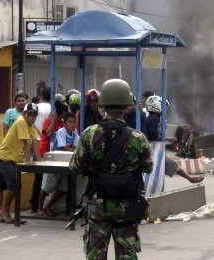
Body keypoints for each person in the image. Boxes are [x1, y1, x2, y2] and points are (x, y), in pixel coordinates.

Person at [70, 79, 153, 259]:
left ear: (103, 105)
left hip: (99, 203)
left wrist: (95, 167)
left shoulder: (90, 133)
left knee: (96, 254)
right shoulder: (138, 137)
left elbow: (75, 166)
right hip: (127, 205)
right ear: (127, 105)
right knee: (127, 255)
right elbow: (148, 166)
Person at [0, 103, 42, 223]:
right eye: (29, 114)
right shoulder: (21, 121)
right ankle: (4, 210)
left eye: (34, 115)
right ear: (23, 114)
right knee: (15, 185)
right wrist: (27, 160)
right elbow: (27, 143)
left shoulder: (31, 125)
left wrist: (40, 160)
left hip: (10, 158)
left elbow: (35, 142)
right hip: (5, 158)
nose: (31, 117)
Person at [145, 95, 204, 183]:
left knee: (171, 163)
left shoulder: (155, 119)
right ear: (156, 107)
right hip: (151, 150)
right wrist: (168, 139)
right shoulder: (151, 120)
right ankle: (190, 179)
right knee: (170, 163)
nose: (165, 110)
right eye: (162, 107)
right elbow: (154, 137)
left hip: (154, 150)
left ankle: (190, 179)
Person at [36, 112, 79, 217]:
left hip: (65, 164)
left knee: (63, 189)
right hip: (53, 162)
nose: (72, 124)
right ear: (64, 123)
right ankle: (39, 208)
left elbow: (77, 145)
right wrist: (77, 151)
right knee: (46, 187)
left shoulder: (75, 132)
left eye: (74, 122)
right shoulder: (61, 132)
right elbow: (64, 147)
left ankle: (48, 206)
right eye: (70, 122)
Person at [30, 86, 51, 212]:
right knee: (46, 177)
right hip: (46, 145)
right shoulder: (51, 109)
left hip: (34, 142)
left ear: (42, 95)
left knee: (37, 177)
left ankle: (34, 205)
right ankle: (41, 206)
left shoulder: (36, 107)